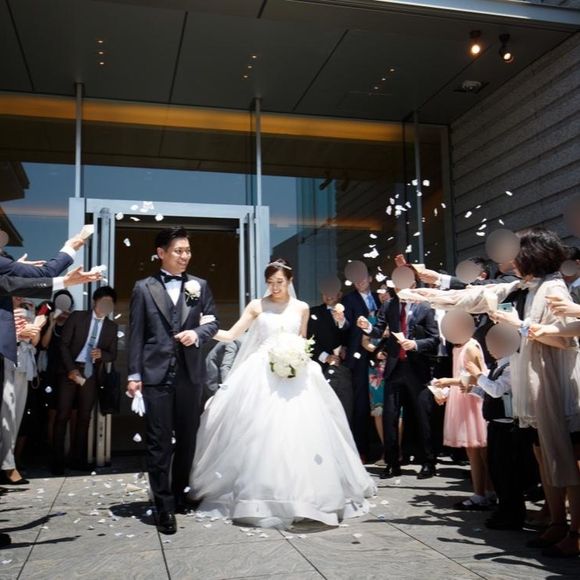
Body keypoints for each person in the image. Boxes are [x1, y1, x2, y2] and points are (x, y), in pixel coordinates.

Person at [400, 228, 580, 557]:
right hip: (531, 384)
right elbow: (476, 295)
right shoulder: (522, 286)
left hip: (553, 383)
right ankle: (555, 521)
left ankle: (574, 530)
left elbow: (566, 338)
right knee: (543, 454)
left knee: (562, 457)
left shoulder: (553, 288)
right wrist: (429, 293)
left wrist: (523, 327)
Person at [190, 259, 376, 530]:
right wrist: (203, 328)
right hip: (262, 373)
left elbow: (302, 341)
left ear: (290, 281)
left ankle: (306, 494)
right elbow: (231, 335)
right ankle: (262, 492)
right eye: (270, 282)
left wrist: (298, 358)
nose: (275, 287)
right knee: (261, 431)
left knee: (302, 431)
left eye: (280, 282)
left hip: (296, 372)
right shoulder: (257, 305)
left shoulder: (301, 308)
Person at [126, 227, 219, 535]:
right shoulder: (143, 288)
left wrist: (197, 333)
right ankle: (163, 506)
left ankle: (179, 495)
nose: (185, 256)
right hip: (156, 375)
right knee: (159, 442)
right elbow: (136, 334)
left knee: (188, 440)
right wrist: (134, 374)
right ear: (161, 253)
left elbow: (213, 321)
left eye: (187, 251)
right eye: (179, 250)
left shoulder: (199, 285)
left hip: (190, 376)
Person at [357, 271, 440, 480]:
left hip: (417, 368)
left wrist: (415, 344)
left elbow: (434, 339)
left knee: (423, 416)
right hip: (394, 367)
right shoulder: (389, 305)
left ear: (412, 283)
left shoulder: (425, 306)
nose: (398, 287)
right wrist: (367, 326)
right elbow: (378, 330)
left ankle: (428, 462)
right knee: (390, 416)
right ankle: (392, 463)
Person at [465, 329, 527, 530]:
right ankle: (504, 510)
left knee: (507, 472)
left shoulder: (511, 366)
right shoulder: (499, 366)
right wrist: (473, 387)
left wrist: (478, 375)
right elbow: (488, 390)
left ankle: (512, 514)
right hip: (495, 423)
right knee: (497, 470)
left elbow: (497, 389)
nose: (490, 348)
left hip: (507, 426)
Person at [54, 286, 119, 474]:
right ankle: (57, 461)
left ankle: (78, 459)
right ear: (94, 302)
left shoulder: (111, 327)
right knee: (62, 415)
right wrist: (71, 369)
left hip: (90, 374)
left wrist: (102, 354)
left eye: (109, 303)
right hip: (70, 369)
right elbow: (63, 345)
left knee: (84, 417)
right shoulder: (77, 317)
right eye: (103, 302)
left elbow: (113, 355)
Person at [433, 336, 492, 509]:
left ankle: (483, 494)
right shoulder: (457, 347)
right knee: (475, 451)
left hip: (473, 401)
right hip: (463, 399)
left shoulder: (471, 347)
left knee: (480, 451)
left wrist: (449, 382)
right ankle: (485, 492)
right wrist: (447, 391)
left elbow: (479, 377)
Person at [0, 299, 46, 485]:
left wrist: (37, 325)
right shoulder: (4, 311)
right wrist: (18, 332)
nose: (19, 297)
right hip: (7, 361)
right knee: (6, 414)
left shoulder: (28, 309)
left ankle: (8, 462)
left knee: (16, 414)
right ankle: (8, 466)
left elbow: (35, 341)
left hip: (24, 363)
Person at [342, 262, 380, 458]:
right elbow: (346, 326)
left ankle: (385, 449)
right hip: (359, 356)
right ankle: (362, 449)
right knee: (361, 402)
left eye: (363, 277)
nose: (359, 281)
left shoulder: (380, 298)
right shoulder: (348, 299)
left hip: (380, 355)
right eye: (355, 278)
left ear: (370, 278)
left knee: (381, 401)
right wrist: (340, 320)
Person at [307, 276, 352, 424]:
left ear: (339, 294)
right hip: (321, 368)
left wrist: (341, 321)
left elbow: (352, 334)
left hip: (346, 369)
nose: (328, 295)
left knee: (345, 409)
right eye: (325, 292)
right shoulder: (313, 313)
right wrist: (325, 357)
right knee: (323, 410)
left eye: (332, 292)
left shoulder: (348, 311)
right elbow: (308, 339)